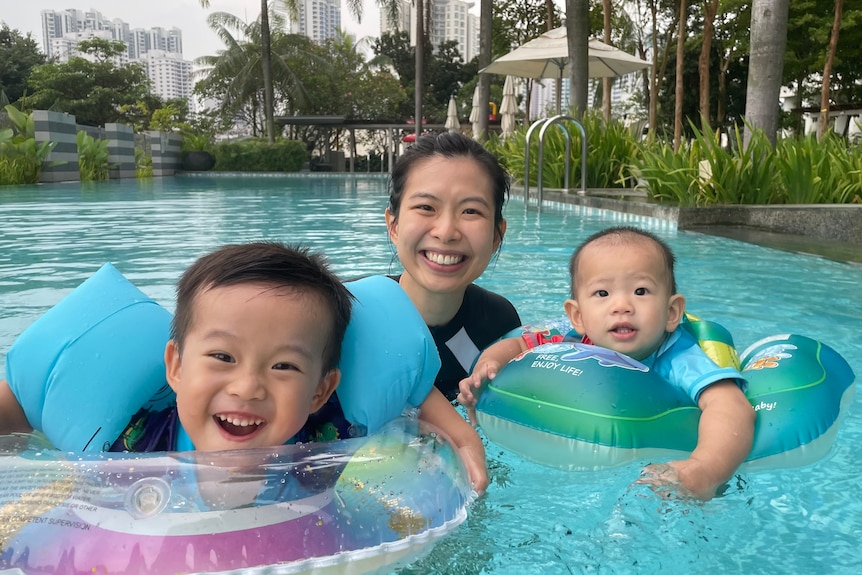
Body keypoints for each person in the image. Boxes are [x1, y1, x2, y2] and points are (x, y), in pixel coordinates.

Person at [458, 226, 756, 500]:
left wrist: (704, 469)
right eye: (602, 293)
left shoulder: (681, 357)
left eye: (641, 291)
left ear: (671, 312)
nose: (621, 306)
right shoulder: (573, 338)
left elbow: (730, 407)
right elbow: (519, 344)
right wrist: (488, 368)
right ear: (578, 316)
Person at [385, 131, 522, 400]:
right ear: (394, 225)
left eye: (470, 211)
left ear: (497, 235)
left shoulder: (498, 323)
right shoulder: (345, 315)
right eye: (426, 207)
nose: (446, 232)